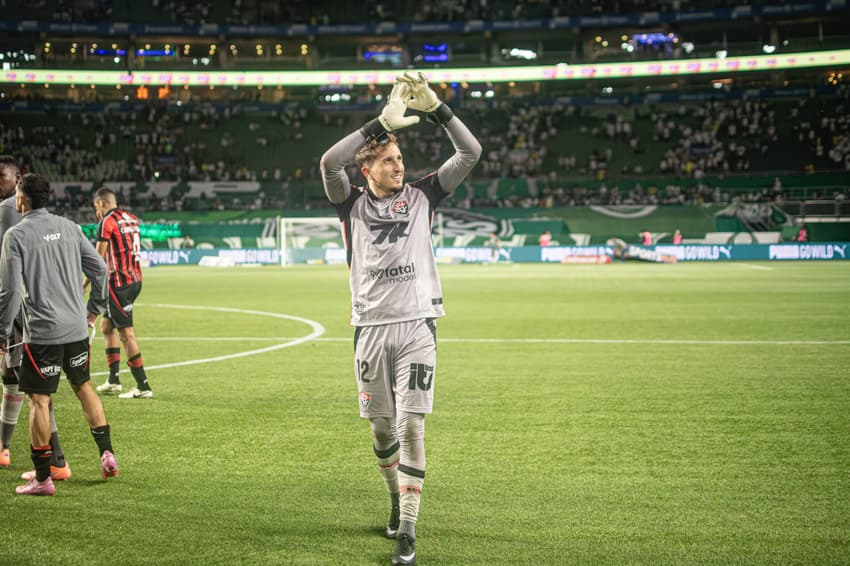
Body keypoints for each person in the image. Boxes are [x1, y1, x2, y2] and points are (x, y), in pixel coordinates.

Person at [320, 72, 481, 566]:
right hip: (368, 330)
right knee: (382, 431)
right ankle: (395, 497)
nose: (398, 165)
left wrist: (438, 111)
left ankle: (408, 529)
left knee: (413, 426)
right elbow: (329, 161)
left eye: (400, 159)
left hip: (416, 326)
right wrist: (378, 125)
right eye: (389, 159)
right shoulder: (349, 203)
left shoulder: (423, 196)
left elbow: (470, 153)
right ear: (366, 167)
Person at [0, 173, 118, 496]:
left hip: (43, 334)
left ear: (21, 200)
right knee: (83, 386)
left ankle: (42, 478)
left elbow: (9, 291)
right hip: (77, 328)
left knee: (39, 400)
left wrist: (1, 333)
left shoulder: (16, 235)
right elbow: (101, 269)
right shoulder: (70, 227)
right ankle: (106, 453)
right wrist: (94, 309)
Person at [0, 157, 72, 480]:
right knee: (15, 379)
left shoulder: (8, 214)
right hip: (36, 311)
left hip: (21, 313)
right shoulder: (51, 222)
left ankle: (55, 461)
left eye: (3, 177)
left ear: (18, 181)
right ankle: (6, 448)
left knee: (32, 387)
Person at [91, 188, 154, 399]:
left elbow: (98, 259)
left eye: (96, 207)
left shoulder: (107, 222)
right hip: (135, 279)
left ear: (101, 203)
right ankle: (113, 380)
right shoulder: (131, 218)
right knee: (107, 326)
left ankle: (143, 386)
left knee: (126, 334)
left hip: (118, 283)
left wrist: (85, 282)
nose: (96, 212)